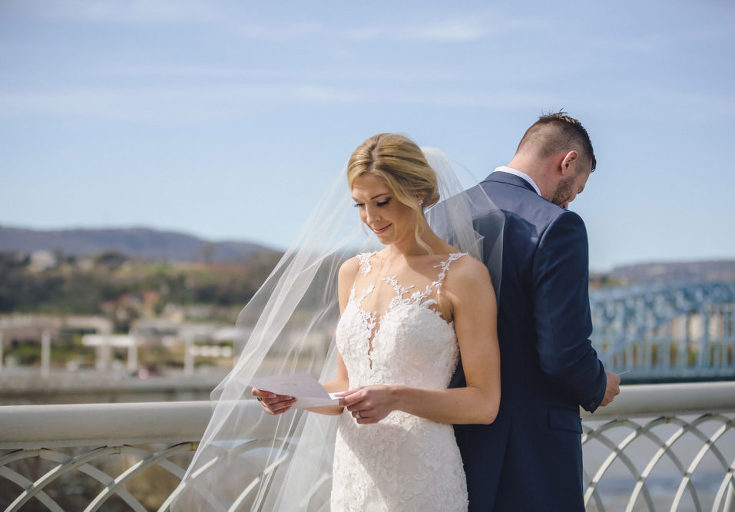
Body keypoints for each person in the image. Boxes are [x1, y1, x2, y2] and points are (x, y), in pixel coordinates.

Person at [171, 133, 503, 512]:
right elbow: (347, 385)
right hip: (353, 473)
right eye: (360, 205)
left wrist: (396, 397)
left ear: (419, 193)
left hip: (422, 475)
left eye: (382, 202)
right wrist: (298, 396)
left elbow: (483, 402)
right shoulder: (353, 272)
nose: (370, 218)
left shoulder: (462, 275)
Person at [451, 112, 621, 511]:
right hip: (529, 451)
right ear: (567, 161)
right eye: (577, 186)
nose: (573, 198)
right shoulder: (556, 226)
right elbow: (563, 354)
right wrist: (599, 384)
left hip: (446, 437)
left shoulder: (438, 217)